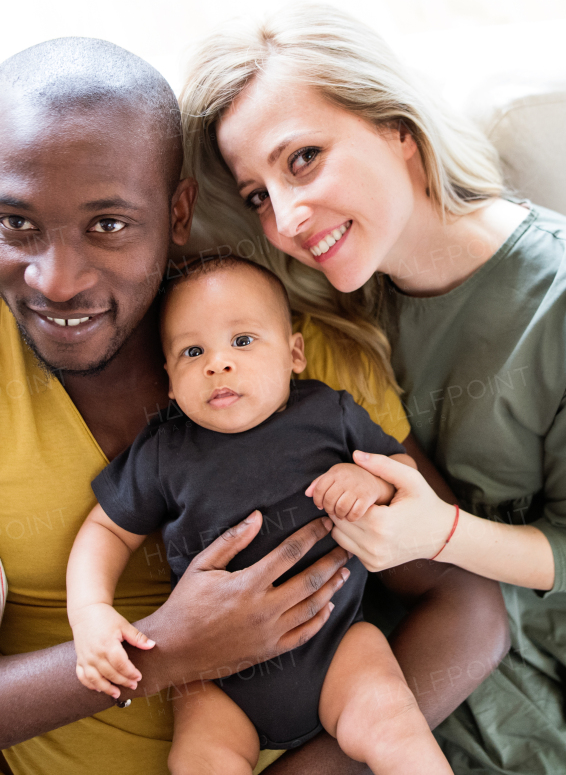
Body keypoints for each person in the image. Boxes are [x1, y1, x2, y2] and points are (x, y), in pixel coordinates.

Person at [0, 37, 509, 775]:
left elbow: (469, 604)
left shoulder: (294, 355)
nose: (57, 279)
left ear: (180, 209)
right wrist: (163, 652)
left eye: (108, 225)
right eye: (14, 222)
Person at [180, 4, 566, 775]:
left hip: (551, 598)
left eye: (304, 158)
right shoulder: (318, 298)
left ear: (398, 130)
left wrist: (438, 532)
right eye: (258, 194)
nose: (285, 218)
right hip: (402, 605)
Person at [68, 255, 452, 775]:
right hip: (215, 676)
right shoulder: (164, 452)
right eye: (192, 351)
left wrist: (373, 480)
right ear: (170, 381)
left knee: (394, 723)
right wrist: (91, 611)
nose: (217, 363)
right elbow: (105, 530)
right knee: (200, 759)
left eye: (243, 341)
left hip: (336, 645)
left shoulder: (328, 414)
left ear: (295, 353)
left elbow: (405, 472)